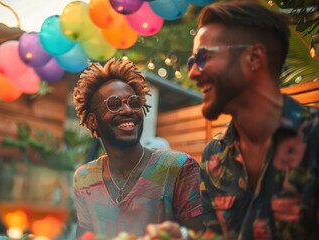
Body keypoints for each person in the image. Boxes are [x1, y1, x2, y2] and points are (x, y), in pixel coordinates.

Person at [144, 1, 319, 240]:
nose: (193, 73)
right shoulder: (214, 156)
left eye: (204, 57)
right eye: (191, 62)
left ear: (254, 57)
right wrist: (184, 237)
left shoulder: (314, 137)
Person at [72, 58, 204, 239]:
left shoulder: (178, 168)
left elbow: (204, 236)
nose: (127, 110)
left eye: (134, 102)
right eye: (114, 104)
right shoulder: (84, 178)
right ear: (92, 121)